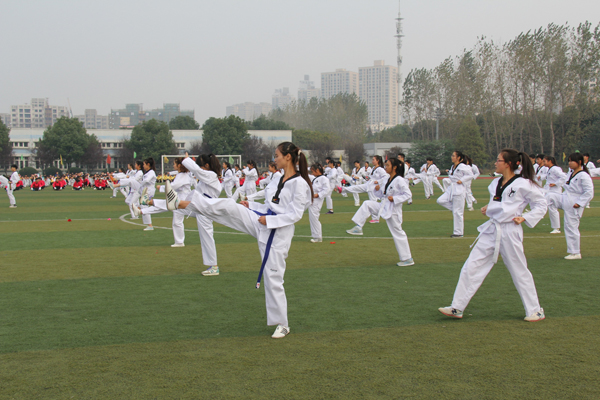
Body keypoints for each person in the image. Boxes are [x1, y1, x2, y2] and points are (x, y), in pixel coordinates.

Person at [166, 142, 312, 339]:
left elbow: (295, 214)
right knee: (229, 206)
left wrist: (269, 220)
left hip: (278, 233)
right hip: (262, 221)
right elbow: (270, 205)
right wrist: (251, 205)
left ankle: (283, 324)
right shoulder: (278, 178)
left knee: (273, 278)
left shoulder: (299, 183)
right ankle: (179, 203)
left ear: (288, 157)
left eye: (277, 155)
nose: (274, 159)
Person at [438, 149, 547, 322]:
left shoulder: (524, 184)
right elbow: (498, 203)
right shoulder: (495, 182)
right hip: (491, 230)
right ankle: (457, 307)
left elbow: (541, 204)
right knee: (471, 266)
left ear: (508, 164)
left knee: (519, 271)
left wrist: (526, 217)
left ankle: (535, 310)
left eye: (499, 160)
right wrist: (488, 209)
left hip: (510, 230)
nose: (495, 163)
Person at [347, 158, 414, 266]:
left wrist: (395, 199)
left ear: (394, 167)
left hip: (394, 210)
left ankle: (408, 258)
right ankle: (358, 227)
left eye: (387, 165)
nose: (385, 167)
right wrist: (377, 189)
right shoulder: (388, 179)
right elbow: (382, 195)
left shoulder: (399, 180)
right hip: (384, 205)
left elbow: (408, 194)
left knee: (398, 233)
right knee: (367, 204)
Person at [558, 153, 594, 260]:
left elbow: (589, 192)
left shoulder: (583, 175)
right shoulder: (571, 173)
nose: (569, 163)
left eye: (571, 161)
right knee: (549, 197)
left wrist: (580, 203)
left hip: (575, 203)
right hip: (565, 198)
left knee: (571, 226)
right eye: (568, 161)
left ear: (579, 162)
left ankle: (575, 252)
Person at [437, 151, 474, 237]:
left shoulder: (463, 166)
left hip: (459, 188)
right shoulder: (453, 166)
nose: (452, 157)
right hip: (451, 188)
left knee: (458, 213)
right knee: (440, 200)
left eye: (453, 156)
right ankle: (454, 208)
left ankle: (458, 233)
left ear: (459, 158)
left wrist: (462, 180)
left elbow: (470, 175)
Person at [542, 155, 566, 234]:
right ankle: (556, 228)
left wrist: (556, 183)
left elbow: (563, 176)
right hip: (550, 191)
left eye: (544, 161)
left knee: (544, 204)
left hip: (555, 192)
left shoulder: (555, 169)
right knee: (552, 209)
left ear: (550, 161)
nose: (543, 163)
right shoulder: (550, 169)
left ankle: (535, 213)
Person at [308, 163, 330, 243]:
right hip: (312, 200)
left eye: (313, 171)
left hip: (317, 200)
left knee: (314, 218)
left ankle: (318, 237)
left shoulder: (324, 179)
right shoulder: (315, 178)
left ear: (317, 170)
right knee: (312, 218)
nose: (312, 173)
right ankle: (316, 236)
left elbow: (326, 190)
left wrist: (318, 195)